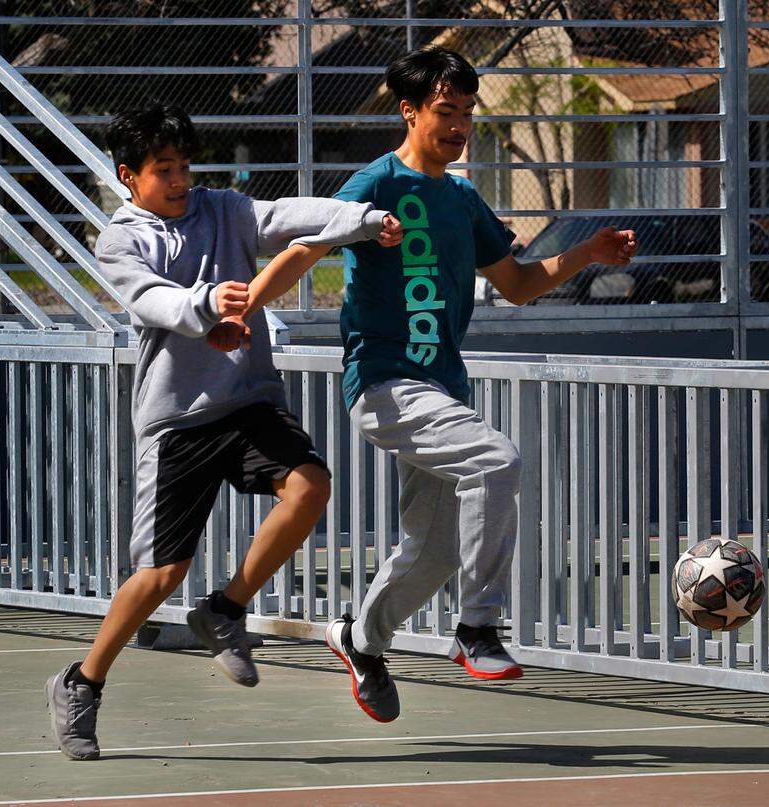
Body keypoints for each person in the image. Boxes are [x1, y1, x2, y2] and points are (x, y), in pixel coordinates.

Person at [242, 47, 635, 723]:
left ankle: (361, 639)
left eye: (467, 116)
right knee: (497, 459)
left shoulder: (461, 199)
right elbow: (304, 249)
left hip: (441, 392)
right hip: (386, 385)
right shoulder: (376, 182)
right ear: (411, 111)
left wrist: (584, 254)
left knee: (435, 549)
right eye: (445, 113)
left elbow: (516, 285)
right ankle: (477, 625)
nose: (458, 128)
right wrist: (243, 308)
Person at [45, 103, 403, 760]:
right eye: (163, 171)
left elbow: (288, 218)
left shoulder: (225, 209)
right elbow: (154, 299)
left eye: (184, 167)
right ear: (128, 176)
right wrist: (209, 305)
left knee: (310, 485)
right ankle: (81, 681)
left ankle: (227, 608)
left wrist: (364, 220)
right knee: (159, 575)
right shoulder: (120, 240)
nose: (180, 181)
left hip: (246, 401)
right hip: (177, 420)